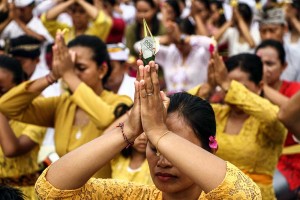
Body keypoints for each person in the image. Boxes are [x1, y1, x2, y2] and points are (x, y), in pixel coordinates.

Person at [34, 60, 261, 199]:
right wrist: (129, 130)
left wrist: (160, 135)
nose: (163, 160)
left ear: (210, 149)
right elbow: (50, 190)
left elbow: (246, 196)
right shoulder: (132, 195)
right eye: (154, 147)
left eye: (174, 148)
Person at [0, 34, 133, 179]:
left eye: (81, 68)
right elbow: (6, 106)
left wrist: (69, 74)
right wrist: (51, 76)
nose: (73, 74)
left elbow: (105, 120)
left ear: (102, 70)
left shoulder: (121, 102)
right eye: (70, 68)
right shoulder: (62, 104)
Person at [189, 52, 287, 199]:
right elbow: (181, 113)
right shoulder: (216, 114)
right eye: (224, 86)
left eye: (241, 87)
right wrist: (208, 86)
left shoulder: (266, 120)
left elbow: (275, 117)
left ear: (260, 86)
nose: (230, 91)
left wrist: (229, 85)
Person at [0, 55, 47, 200]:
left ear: (19, 87)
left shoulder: (37, 107)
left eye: (1, 89)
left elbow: (12, 149)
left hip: (25, 193)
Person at [41, 0, 112, 43]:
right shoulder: (64, 31)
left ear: (89, 15)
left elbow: (103, 21)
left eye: (82, 11)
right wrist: (70, 1)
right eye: (74, 11)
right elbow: (46, 19)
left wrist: (80, 1)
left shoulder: (96, 32)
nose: (77, 15)